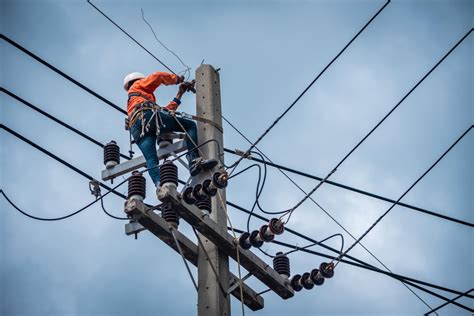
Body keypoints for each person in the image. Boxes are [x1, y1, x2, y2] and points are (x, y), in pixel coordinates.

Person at [123, 71, 217, 187]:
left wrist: (180, 93)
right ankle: (194, 161)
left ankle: (159, 185)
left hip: (137, 128)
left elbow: (165, 111)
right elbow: (157, 76)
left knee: (151, 159)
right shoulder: (137, 85)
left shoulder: (134, 101)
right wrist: (177, 79)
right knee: (190, 125)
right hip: (147, 117)